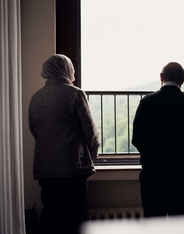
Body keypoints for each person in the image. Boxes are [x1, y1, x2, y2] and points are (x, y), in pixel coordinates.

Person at [28, 54, 100, 234]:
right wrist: (92, 156)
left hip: (45, 169)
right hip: (71, 168)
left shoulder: (35, 98)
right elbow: (90, 131)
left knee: (51, 215)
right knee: (73, 218)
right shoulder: (75, 93)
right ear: (67, 70)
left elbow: (34, 130)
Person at [132, 62, 184, 217]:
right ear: (182, 80)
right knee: (180, 226)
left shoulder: (147, 102)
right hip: (182, 175)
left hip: (153, 175)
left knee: (154, 224)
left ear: (161, 77)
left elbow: (137, 139)